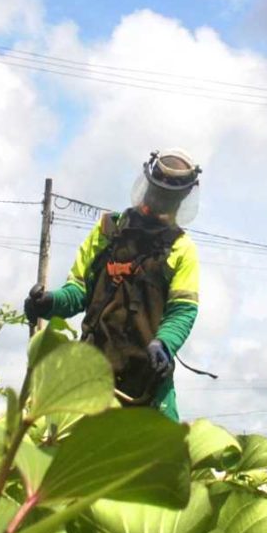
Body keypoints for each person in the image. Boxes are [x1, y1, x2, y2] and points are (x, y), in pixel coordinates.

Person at [26, 152, 203, 420]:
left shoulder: (181, 248)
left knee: (168, 456)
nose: (159, 203)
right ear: (147, 186)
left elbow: (182, 310)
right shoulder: (109, 232)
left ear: (180, 201)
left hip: (147, 381)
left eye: (168, 198)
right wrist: (50, 303)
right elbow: (78, 292)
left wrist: (165, 344)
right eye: (158, 193)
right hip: (92, 374)